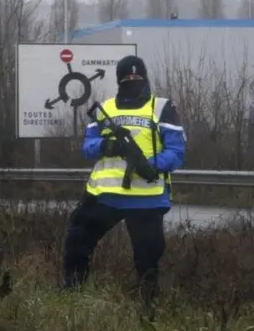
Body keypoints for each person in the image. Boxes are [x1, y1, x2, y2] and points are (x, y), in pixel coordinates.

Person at [61, 54, 186, 307]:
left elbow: (176, 152)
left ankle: (147, 308)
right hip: (104, 197)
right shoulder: (106, 109)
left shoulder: (162, 108)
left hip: (146, 198)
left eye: (137, 77)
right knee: (77, 243)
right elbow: (87, 148)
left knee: (148, 259)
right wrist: (106, 145)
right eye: (127, 78)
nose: (132, 81)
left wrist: (151, 166)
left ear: (145, 78)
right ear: (119, 80)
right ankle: (72, 298)